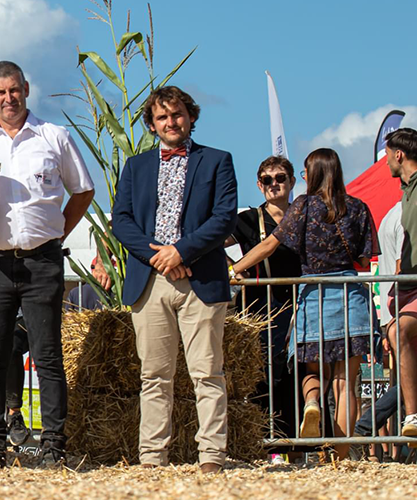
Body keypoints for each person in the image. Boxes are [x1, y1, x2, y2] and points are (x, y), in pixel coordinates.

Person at [0, 61, 95, 468]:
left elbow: (82, 191)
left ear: (26, 89)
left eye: (14, 90)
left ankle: (53, 445)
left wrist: (57, 233)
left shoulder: (55, 137)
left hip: (42, 262)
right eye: (0, 92)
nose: (8, 98)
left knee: (47, 357)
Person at [112, 86, 236, 473]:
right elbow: (122, 221)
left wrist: (180, 252)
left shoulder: (217, 161)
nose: (171, 122)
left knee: (207, 372)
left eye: (177, 114)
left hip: (201, 280)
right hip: (151, 281)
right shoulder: (135, 166)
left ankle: (212, 456)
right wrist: (159, 257)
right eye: (162, 117)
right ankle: (152, 457)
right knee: (154, 376)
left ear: (191, 116)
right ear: (152, 124)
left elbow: (224, 218)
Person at [233, 148, 379, 459]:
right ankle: (341, 457)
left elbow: (271, 244)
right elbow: (365, 259)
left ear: (310, 174)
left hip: (314, 296)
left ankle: (311, 402)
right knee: (344, 384)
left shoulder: (303, 206)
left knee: (311, 369)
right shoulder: (358, 207)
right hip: (349, 295)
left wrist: (236, 268)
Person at [227, 156, 303, 452]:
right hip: (261, 305)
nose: (275, 185)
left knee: (299, 371)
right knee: (265, 373)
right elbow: (207, 243)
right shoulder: (247, 220)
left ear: (292, 182)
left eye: (280, 178)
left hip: (300, 301)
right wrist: (233, 266)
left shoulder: (303, 215)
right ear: (259, 185)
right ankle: (267, 444)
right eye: (268, 180)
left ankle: (299, 445)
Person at [380, 127, 417, 437]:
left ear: (398, 154)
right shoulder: (408, 192)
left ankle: (413, 416)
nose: (385, 162)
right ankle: (413, 417)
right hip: (406, 285)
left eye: (387, 155)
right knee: (400, 332)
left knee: (401, 330)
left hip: (413, 283)